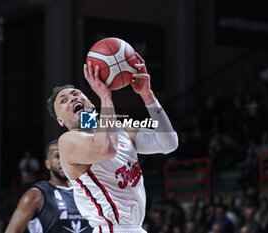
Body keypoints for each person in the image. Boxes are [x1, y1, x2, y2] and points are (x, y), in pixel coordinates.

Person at [47, 53, 178, 232]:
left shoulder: (119, 130)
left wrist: (147, 95)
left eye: (76, 94)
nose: (72, 98)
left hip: (136, 228)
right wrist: (106, 97)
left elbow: (169, 143)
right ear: (61, 121)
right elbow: (106, 149)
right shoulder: (68, 141)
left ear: (90, 103)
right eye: (64, 101)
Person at [5, 140, 92, 233]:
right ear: (48, 163)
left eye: (67, 156)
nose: (63, 161)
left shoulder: (87, 190)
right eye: (58, 157)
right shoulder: (35, 195)